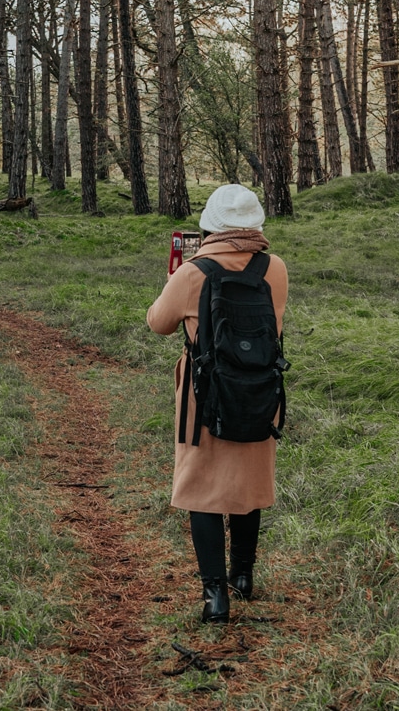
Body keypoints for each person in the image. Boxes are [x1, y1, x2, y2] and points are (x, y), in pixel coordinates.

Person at [147, 183, 289, 624]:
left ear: (210, 225)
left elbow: (158, 324)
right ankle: (242, 576)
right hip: (260, 392)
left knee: (201, 491)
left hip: (204, 396)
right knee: (248, 486)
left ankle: (215, 597)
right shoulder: (276, 267)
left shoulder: (192, 273)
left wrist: (176, 275)